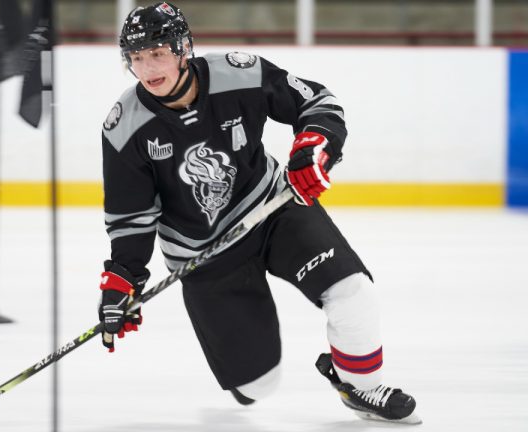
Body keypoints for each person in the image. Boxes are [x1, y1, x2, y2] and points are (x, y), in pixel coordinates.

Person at [97, 2, 419, 424]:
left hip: (272, 209)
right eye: (136, 58)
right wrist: (124, 278)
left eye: (157, 53)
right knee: (256, 386)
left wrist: (315, 148)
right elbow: (132, 214)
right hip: (205, 255)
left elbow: (317, 102)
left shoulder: (239, 72)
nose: (147, 68)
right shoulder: (124, 127)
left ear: (183, 48)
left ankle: (359, 384)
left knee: (353, 292)